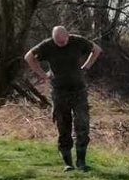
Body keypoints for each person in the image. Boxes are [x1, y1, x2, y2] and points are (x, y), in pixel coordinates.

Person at [24, 26, 102, 171]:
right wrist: (43, 74)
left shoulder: (78, 41)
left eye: (63, 41)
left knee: (82, 124)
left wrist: (86, 66)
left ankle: (81, 161)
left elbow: (96, 49)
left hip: (79, 90)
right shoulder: (47, 45)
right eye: (58, 42)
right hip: (59, 91)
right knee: (63, 126)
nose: (61, 44)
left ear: (68, 36)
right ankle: (68, 162)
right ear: (53, 38)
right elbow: (28, 57)